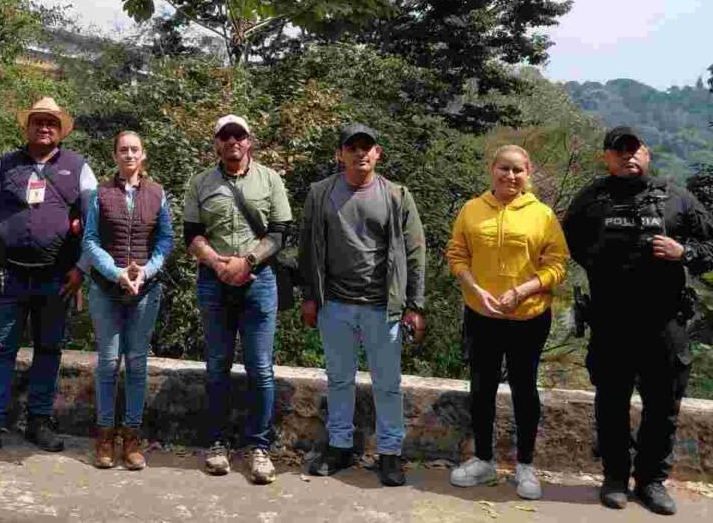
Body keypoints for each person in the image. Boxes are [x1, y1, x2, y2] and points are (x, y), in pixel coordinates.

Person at [562, 126, 713, 515]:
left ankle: (652, 482)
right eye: (619, 150)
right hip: (611, 322)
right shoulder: (591, 198)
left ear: (646, 154)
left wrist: (685, 252)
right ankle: (614, 478)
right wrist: (601, 265)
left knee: (663, 405)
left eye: (635, 150)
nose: (628, 156)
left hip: (665, 322)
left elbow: (711, 243)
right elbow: (565, 240)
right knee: (611, 402)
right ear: (607, 157)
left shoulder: (676, 197)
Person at [0, 97, 96, 462]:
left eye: (51, 123)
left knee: (49, 351)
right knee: (1, 350)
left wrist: (82, 269)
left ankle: (39, 421)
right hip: (9, 277)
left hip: (56, 280)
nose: (44, 127)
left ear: (60, 129)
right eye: (37, 122)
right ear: (27, 127)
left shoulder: (78, 168)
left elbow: (95, 224)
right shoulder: (6, 165)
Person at [297, 123, 426, 487]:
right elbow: (307, 247)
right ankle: (339, 447)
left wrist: (415, 305)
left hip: (382, 307)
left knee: (388, 384)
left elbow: (415, 252)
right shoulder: (320, 193)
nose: (360, 153)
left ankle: (389, 454)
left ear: (377, 153)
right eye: (352, 147)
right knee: (339, 380)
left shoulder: (396, 195)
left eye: (366, 147)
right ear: (340, 154)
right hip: (334, 304)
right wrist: (310, 297)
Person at [446, 145, 569, 500]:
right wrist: (474, 288)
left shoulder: (542, 215)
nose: (510, 176)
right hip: (481, 314)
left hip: (528, 317)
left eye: (518, 170)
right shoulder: (471, 210)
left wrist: (522, 291)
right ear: (492, 169)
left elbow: (557, 264)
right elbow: (457, 254)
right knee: (481, 387)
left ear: (528, 172)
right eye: (504, 168)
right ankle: (483, 460)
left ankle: (525, 465)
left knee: (524, 389)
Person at [184, 114, 292, 485]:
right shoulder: (201, 183)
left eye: (239, 135)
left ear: (249, 141)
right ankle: (217, 443)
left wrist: (246, 262)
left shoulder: (270, 180)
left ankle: (258, 447)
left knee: (260, 369)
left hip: (259, 281)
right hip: (214, 282)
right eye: (225, 135)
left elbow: (280, 233)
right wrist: (218, 264)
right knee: (217, 366)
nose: (232, 141)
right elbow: (192, 235)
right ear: (217, 142)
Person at [82, 131, 174, 470]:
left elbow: (166, 239)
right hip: (107, 289)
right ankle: (105, 436)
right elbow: (90, 241)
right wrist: (116, 272)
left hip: (145, 292)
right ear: (115, 156)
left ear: (143, 155)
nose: (129, 154)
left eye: (135, 149)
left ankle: (132, 437)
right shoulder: (101, 194)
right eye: (123, 150)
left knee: (136, 363)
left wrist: (146, 271)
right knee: (108, 363)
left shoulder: (157, 193)